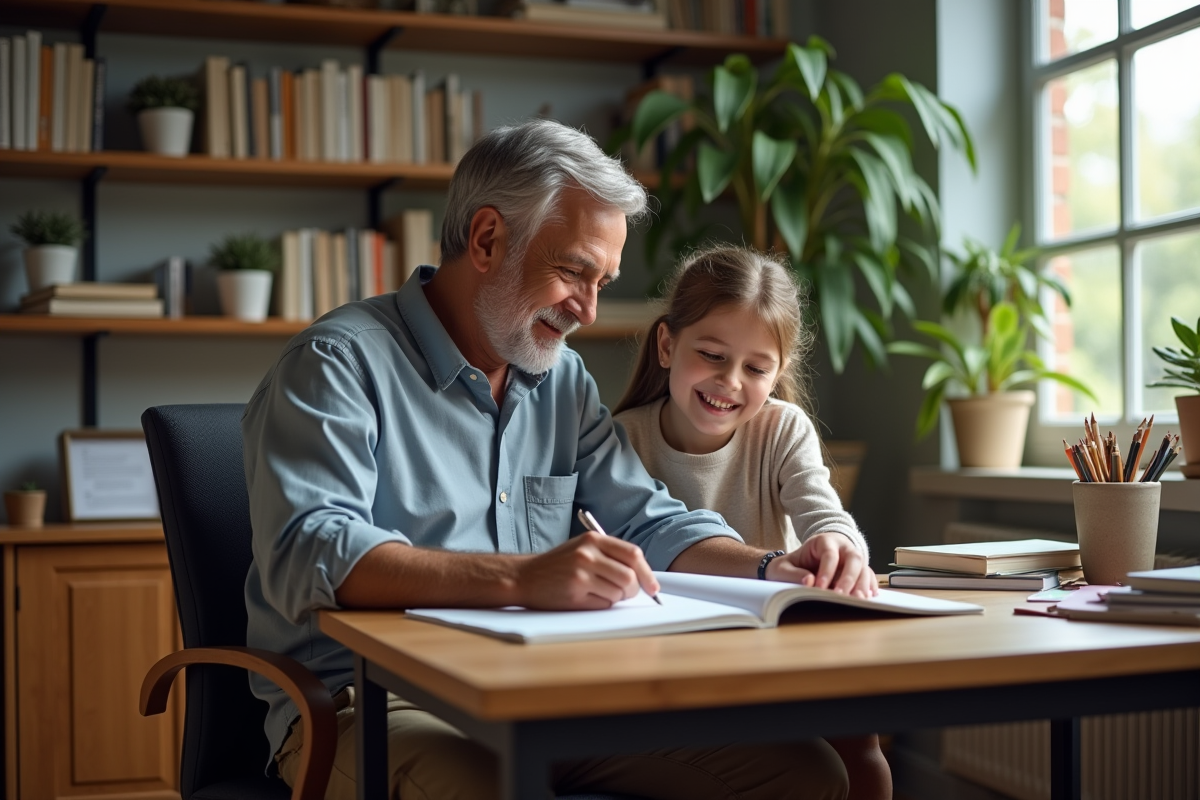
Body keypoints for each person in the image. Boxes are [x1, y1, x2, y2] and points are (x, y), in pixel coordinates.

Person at [242, 118, 871, 800]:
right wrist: (521, 578)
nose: (590, 312)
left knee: (807, 774)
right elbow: (312, 551)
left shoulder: (560, 381)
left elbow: (647, 520)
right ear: (487, 239)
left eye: (603, 281)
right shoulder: (338, 363)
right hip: (374, 702)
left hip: (545, 688)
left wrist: (772, 566)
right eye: (574, 271)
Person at [612, 245, 890, 800]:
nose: (730, 382)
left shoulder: (782, 430)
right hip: (668, 650)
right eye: (711, 355)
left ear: (778, 372)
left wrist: (839, 545)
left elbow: (823, 510)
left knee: (859, 744)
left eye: (756, 368)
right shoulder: (622, 438)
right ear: (667, 345)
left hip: (778, 641)